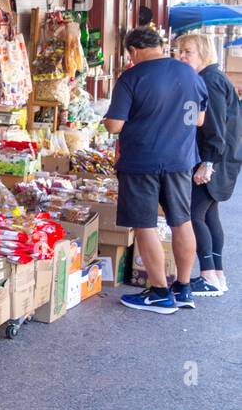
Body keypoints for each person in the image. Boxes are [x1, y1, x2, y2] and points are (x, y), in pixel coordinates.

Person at [104, 26, 207, 313]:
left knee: (145, 224)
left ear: (133, 51)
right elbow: (199, 119)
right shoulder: (189, 73)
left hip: (142, 161)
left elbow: (114, 125)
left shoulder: (131, 77)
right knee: (181, 220)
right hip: (181, 160)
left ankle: (160, 292)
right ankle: (184, 288)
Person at [173, 33, 242, 295]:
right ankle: (216, 275)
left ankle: (207, 275)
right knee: (209, 214)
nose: (182, 56)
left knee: (193, 215)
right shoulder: (214, 77)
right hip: (223, 158)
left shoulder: (209, 80)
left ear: (202, 52)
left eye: (187, 51)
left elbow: (215, 127)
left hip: (213, 159)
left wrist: (207, 164)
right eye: (180, 51)